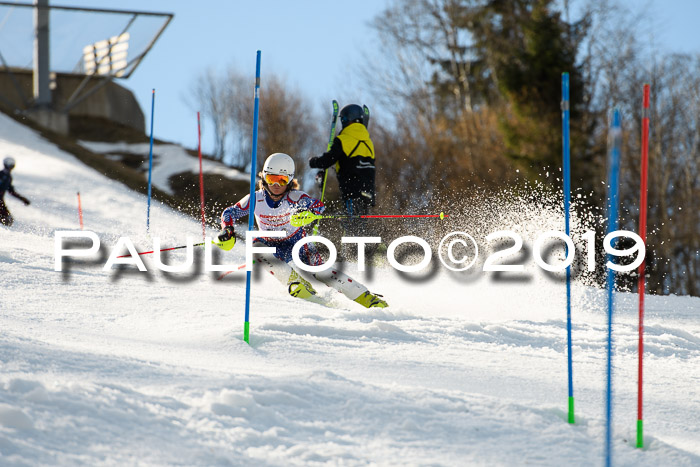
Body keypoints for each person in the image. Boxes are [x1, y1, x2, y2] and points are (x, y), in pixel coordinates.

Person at [218, 152, 387, 308]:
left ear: (290, 181)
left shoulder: (295, 197)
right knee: (256, 248)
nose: (276, 185)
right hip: (269, 243)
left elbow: (318, 206)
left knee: (322, 271)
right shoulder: (255, 199)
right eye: (271, 178)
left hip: (297, 242)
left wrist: (308, 214)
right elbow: (230, 212)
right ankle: (297, 284)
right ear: (264, 178)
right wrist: (227, 230)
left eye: (282, 180)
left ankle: (366, 297)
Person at [309, 104, 375, 236]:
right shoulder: (368, 143)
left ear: (345, 120)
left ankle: (362, 250)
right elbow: (354, 163)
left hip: (352, 191)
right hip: (368, 192)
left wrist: (314, 161)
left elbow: (328, 159)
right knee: (360, 224)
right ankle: (367, 248)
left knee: (353, 227)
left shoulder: (343, 140)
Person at [0, 157, 30, 227]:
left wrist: (23, 199)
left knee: (8, 220)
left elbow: (11, 191)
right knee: (7, 219)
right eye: (10, 166)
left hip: (0, 201)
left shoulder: (8, 177)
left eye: (11, 166)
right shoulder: (1, 175)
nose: (10, 168)